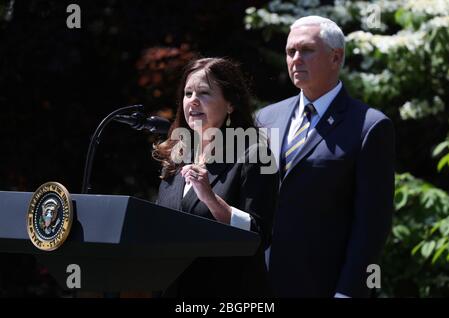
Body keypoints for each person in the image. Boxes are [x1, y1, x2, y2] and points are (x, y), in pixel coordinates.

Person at [256, 16, 395, 297]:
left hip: (324, 286)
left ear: (336, 57)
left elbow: (372, 225)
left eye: (306, 50)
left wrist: (349, 292)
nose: (296, 59)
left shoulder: (369, 126)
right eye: (290, 51)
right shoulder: (266, 118)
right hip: (261, 285)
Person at [153, 57, 278, 297]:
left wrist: (210, 198)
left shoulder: (255, 156)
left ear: (230, 104)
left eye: (204, 93)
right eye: (187, 93)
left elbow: (258, 236)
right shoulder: (176, 156)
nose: (193, 101)